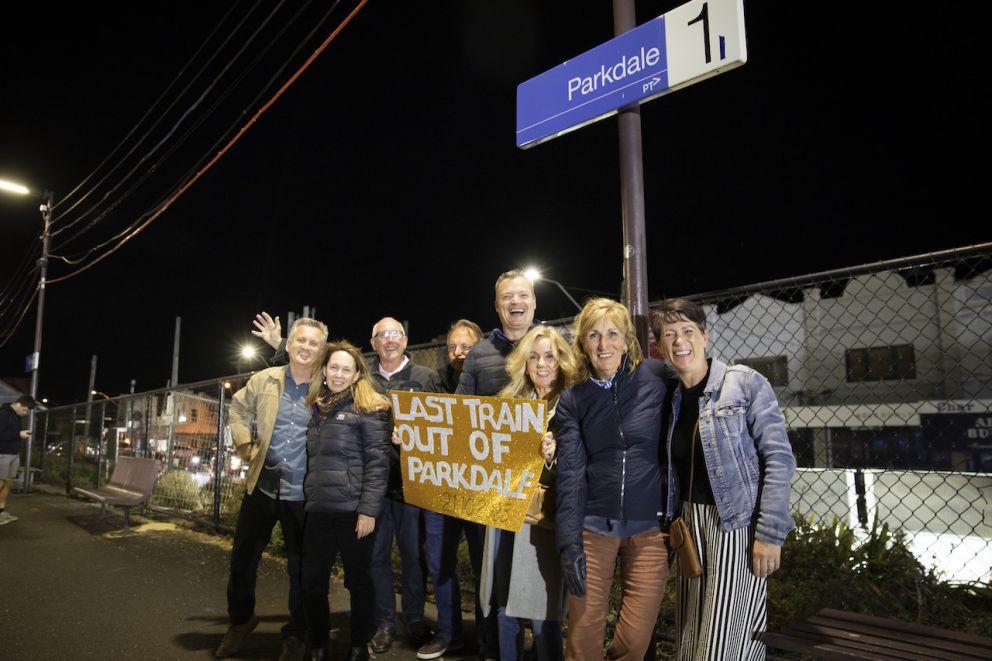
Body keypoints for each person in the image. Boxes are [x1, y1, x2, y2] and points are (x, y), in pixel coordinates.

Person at [654, 298, 796, 660]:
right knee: (691, 637)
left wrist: (769, 534)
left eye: (688, 331)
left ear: (705, 336)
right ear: (660, 346)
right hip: (689, 526)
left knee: (722, 645)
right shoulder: (670, 398)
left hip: (734, 524)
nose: (679, 341)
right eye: (669, 334)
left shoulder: (744, 383)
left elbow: (778, 458)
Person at [418, 270, 538, 661]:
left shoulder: (550, 345)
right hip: (493, 489)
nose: (515, 302)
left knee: (537, 574)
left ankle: (541, 645)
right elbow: (459, 419)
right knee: (498, 576)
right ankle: (495, 648)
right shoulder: (481, 355)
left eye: (522, 295)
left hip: (540, 485)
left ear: (533, 301)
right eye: (507, 297)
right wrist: (418, 438)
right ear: (497, 304)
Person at [555, 298, 670, 661]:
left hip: (648, 529)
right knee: (582, 642)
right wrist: (569, 543)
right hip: (593, 528)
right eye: (593, 336)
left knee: (635, 643)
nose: (603, 345)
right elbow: (571, 474)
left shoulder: (656, 377)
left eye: (611, 334)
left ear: (626, 341)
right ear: (582, 344)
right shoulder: (574, 398)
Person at [218, 317, 328, 661]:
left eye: (314, 342)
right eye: (301, 341)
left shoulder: (329, 386)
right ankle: (240, 620)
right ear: (289, 344)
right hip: (262, 488)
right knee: (241, 562)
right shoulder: (264, 379)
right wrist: (244, 444)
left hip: (302, 495)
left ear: (321, 348)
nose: (307, 347)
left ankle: (295, 635)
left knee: (300, 570)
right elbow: (236, 409)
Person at [480, 325, 577, 661]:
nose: (541, 364)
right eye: (534, 357)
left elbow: (585, 467)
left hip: (544, 521)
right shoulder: (508, 404)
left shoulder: (573, 403)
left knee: (541, 610)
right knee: (505, 601)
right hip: (506, 515)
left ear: (563, 360)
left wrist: (555, 455)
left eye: (550, 356)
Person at [301, 340, 391, 661]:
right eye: (334, 367)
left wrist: (368, 511)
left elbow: (378, 464)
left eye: (346, 369)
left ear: (356, 376)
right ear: (324, 371)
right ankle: (318, 646)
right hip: (319, 511)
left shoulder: (367, 408)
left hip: (354, 512)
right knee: (311, 583)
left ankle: (357, 647)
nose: (339, 374)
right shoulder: (317, 408)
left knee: (359, 583)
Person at [366, 317, 440, 653]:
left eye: (395, 334)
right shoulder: (363, 378)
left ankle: (413, 620)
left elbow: (443, 426)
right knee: (376, 557)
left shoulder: (426, 378)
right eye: (383, 335)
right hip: (376, 486)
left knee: (414, 556)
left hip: (414, 486)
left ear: (406, 340)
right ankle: (384, 622)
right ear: (373, 343)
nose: (390, 340)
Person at [0, 395, 35, 525]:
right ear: (19, 404)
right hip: (2, 454)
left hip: (13, 454)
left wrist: (19, 434)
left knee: (7, 483)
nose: (25, 413)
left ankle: (1, 511)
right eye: (25, 410)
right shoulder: (4, 414)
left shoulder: (16, 416)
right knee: (1, 483)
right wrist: (18, 434)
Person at [437, 319, 483, 394]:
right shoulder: (437, 381)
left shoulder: (490, 379)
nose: (457, 352)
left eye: (465, 347)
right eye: (452, 347)